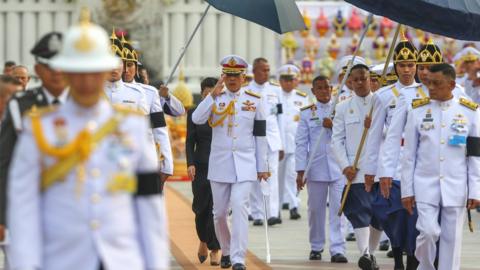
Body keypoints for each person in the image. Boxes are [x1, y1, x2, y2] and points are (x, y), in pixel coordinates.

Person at [7, 11, 166, 269]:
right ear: (66, 72)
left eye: (93, 71)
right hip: (63, 260)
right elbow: (23, 209)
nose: (86, 81)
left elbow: (149, 208)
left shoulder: (133, 127)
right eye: (78, 72)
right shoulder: (38, 130)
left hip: (122, 260)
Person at [192, 55, 268, 270]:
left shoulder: (255, 100)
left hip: (245, 164)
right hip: (220, 164)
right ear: (223, 77)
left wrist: (262, 166)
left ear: (244, 76)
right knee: (220, 214)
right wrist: (211, 96)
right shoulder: (216, 98)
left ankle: (237, 258)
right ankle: (225, 250)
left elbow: (260, 136)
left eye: (236, 75)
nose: (233, 79)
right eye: (229, 75)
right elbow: (197, 119)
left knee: (239, 206)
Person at [401, 63, 480, 270]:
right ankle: (425, 267)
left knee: (451, 240)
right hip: (425, 184)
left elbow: (475, 156)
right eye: (429, 83)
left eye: (437, 84)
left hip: (456, 184)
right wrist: (407, 190)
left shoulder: (469, 111)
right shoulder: (418, 110)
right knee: (428, 232)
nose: (432, 88)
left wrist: (475, 190)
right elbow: (408, 156)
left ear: (452, 84)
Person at [0, 32, 67, 247]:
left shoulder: (89, 105)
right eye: (49, 66)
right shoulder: (19, 105)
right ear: (38, 70)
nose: (56, 72)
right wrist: (2, 216)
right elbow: (5, 161)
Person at [364, 34, 420, 270]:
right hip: (392, 163)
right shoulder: (383, 96)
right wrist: (370, 169)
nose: (406, 70)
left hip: (418, 163)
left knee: (414, 219)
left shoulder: (425, 93)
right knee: (392, 214)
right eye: (401, 65)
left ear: (416, 65)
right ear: (395, 66)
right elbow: (374, 136)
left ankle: (412, 260)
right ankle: (397, 256)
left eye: (410, 65)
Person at [331, 64, 382, 270]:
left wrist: (378, 124)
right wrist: (345, 166)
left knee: (378, 216)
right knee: (360, 212)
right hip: (355, 170)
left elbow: (393, 134)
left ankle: (371, 253)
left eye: (364, 78)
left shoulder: (381, 104)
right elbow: (337, 141)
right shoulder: (343, 107)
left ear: (370, 79)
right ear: (350, 82)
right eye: (356, 80)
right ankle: (365, 254)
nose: (360, 83)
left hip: (379, 170)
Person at [296, 75, 348, 263]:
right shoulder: (307, 113)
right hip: (316, 168)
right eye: (320, 88)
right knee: (315, 211)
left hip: (339, 168)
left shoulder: (341, 108)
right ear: (313, 91)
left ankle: (337, 249)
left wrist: (332, 125)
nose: (324, 91)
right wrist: (300, 171)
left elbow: (348, 137)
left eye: (327, 87)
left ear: (332, 88)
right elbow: (301, 144)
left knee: (338, 210)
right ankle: (316, 246)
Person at [186, 77, 221, 266]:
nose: (210, 94)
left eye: (213, 91)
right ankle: (203, 239)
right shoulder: (194, 113)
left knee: (216, 208)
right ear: (202, 94)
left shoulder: (223, 112)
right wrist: (190, 163)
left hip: (220, 166)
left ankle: (215, 248)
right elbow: (190, 141)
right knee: (200, 208)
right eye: (206, 91)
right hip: (200, 166)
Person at [249, 57, 285, 226]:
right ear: (254, 71)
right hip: (254, 139)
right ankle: (257, 213)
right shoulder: (247, 90)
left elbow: (280, 118)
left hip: (272, 138)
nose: (266, 73)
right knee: (256, 175)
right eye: (263, 69)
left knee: (273, 176)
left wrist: (282, 143)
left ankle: (272, 212)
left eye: (268, 70)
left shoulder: (275, 91)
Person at [120, 35, 185, 117]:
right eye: (122, 65)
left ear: (136, 68)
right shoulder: (104, 90)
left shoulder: (149, 92)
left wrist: (167, 97)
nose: (125, 70)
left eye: (130, 65)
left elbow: (179, 112)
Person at [277, 64, 308, 220]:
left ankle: (294, 205)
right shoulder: (275, 96)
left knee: (292, 175)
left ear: (296, 81)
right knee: (277, 177)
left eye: (291, 80)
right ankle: (276, 207)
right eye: (285, 79)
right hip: (278, 144)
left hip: (295, 144)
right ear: (280, 80)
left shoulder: (302, 98)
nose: (288, 83)